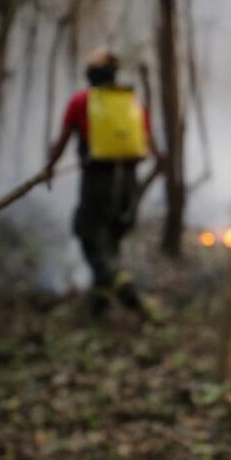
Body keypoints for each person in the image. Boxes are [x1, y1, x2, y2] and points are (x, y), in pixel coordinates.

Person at [46, 48, 151, 316]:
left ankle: (127, 292)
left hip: (98, 181)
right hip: (128, 182)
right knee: (110, 240)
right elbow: (144, 148)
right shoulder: (132, 103)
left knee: (89, 234)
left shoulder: (81, 101)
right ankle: (99, 304)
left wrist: (50, 166)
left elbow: (63, 139)